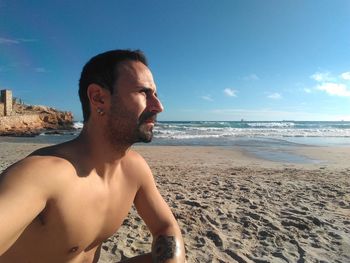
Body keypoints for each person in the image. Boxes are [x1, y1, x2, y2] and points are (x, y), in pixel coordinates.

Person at [0, 50, 186, 262]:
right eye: (144, 93)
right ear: (98, 98)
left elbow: (166, 227)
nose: (159, 106)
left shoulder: (134, 168)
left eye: (156, 94)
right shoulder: (42, 175)